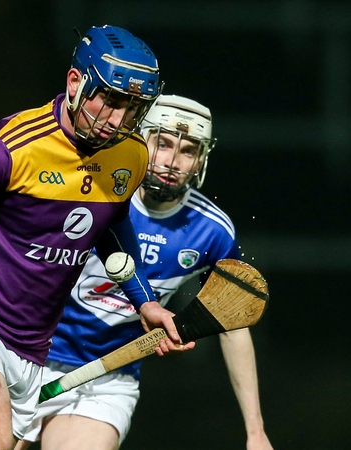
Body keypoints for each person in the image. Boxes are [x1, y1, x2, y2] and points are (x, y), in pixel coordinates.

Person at [0, 25, 191, 450]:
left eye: (133, 108)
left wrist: (144, 300)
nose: (118, 120)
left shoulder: (130, 155)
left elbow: (112, 228)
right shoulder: (9, 146)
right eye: (110, 101)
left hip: (33, 347)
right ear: (75, 82)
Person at [17, 94, 274, 450]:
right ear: (140, 139)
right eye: (164, 143)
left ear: (201, 158)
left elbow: (231, 323)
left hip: (106, 378)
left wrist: (255, 431)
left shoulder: (212, 229)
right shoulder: (94, 189)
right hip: (26, 357)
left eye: (188, 151)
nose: (172, 161)